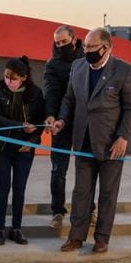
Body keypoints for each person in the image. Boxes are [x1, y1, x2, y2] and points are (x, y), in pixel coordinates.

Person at [52, 27, 131, 253]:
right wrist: (62, 120)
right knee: (81, 192)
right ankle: (76, 237)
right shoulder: (78, 67)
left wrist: (123, 137)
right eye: (85, 47)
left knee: (108, 193)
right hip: (83, 141)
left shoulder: (124, 71)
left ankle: (102, 238)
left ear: (106, 47)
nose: (86, 51)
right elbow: (69, 99)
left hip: (111, 144)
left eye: (92, 47)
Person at [0, 56, 45, 245]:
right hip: (2, 147)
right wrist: (20, 125)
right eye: (6, 77)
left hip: (24, 148)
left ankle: (16, 228)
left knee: (19, 188)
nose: (9, 81)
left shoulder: (36, 94)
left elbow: (40, 123)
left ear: (24, 77)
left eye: (13, 78)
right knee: (2, 188)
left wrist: (32, 140)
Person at [43, 25, 86, 230]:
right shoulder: (53, 63)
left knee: (85, 168)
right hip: (61, 121)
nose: (60, 46)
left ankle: (89, 210)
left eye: (64, 42)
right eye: (57, 43)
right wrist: (51, 116)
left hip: (84, 122)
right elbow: (51, 91)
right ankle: (57, 211)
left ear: (74, 40)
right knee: (58, 169)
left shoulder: (87, 60)